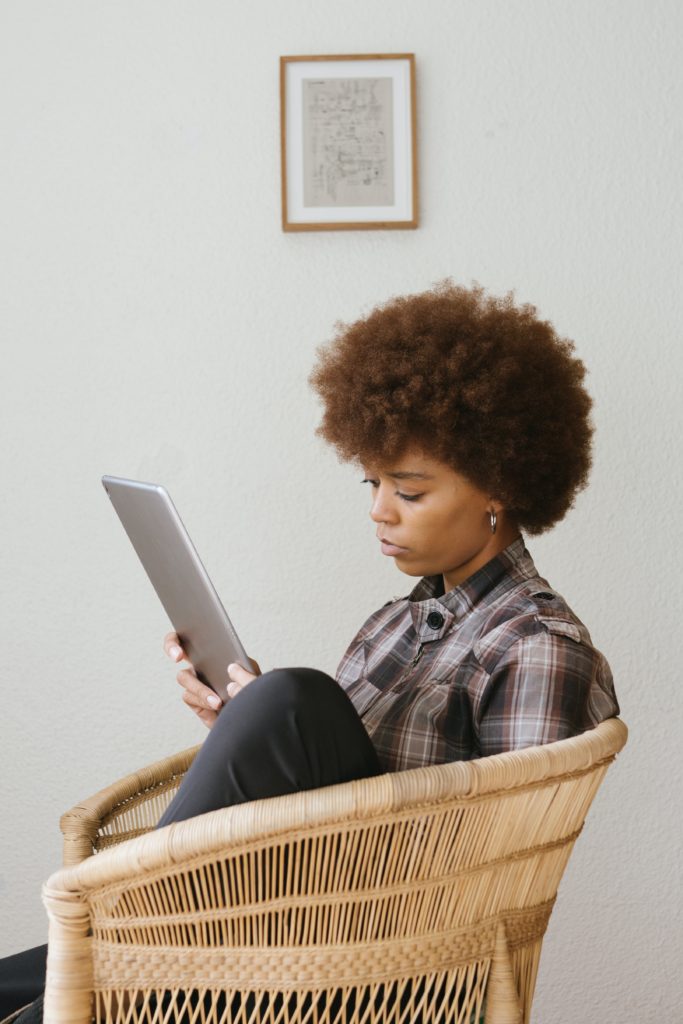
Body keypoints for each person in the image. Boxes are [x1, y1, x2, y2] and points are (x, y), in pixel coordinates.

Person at [0, 282, 619, 1022]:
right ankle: (122, 924)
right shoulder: (396, 620)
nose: (377, 510)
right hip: (289, 904)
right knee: (282, 703)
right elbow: (331, 779)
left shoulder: (537, 647)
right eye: (373, 481)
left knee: (299, 699)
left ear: (498, 488)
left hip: (392, 954)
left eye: (410, 492)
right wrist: (244, 721)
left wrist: (281, 714)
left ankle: (121, 914)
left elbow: (500, 873)